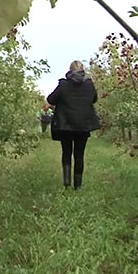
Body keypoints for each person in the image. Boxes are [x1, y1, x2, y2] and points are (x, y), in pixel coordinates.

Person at [47, 60, 100, 190]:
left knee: (66, 152)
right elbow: (94, 99)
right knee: (79, 154)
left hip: (65, 125)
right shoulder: (89, 85)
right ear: (83, 70)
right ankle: (78, 186)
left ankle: (66, 183)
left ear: (70, 71)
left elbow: (51, 99)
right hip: (83, 125)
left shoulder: (63, 85)